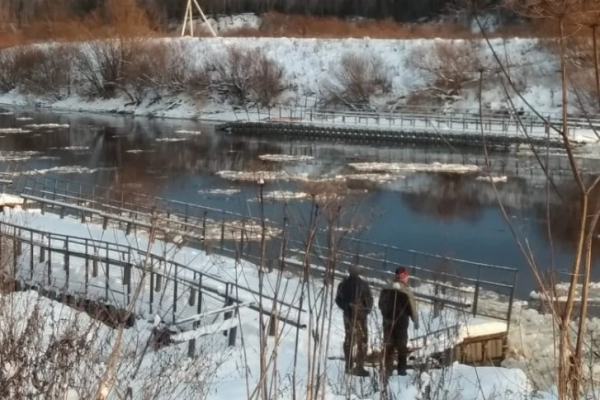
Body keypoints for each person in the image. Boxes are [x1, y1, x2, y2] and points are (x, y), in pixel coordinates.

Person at [378, 267, 419, 379]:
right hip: (401, 324)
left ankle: (387, 370)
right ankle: (401, 372)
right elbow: (412, 308)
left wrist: (386, 314)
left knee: (388, 347)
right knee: (402, 348)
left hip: (387, 322)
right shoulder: (406, 291)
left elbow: (380, 305)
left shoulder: (386, 288)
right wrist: (415, 320)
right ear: (405, 277)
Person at [335, 264, 374, 376]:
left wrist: (347, 307)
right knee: (362, 341)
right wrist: (365, 310)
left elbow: (338, 300)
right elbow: (369, 300)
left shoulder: (343, 284)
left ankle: (349, 365)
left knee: (349, 339)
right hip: (360, 316)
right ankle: (359, 366)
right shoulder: (363, 285)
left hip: (348, 315)